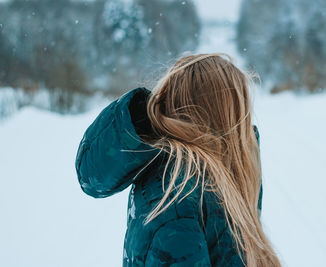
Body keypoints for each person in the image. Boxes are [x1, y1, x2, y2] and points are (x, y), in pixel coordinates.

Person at [75, 53, 281, 266]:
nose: (246, 129)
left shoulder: (212, 184)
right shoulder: (178, 199)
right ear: (225, 121)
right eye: (241, 114)